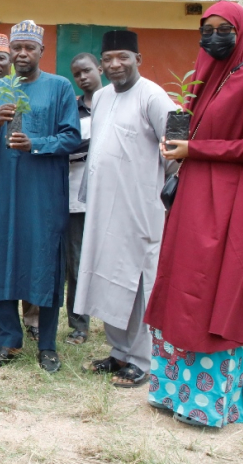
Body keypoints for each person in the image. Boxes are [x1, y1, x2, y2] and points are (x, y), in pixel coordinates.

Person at [145, 1, 243, 427]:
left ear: (240, 33)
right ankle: (171, 391)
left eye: (224, 29)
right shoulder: (205, 78)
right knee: (180, 284)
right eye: (207, 29)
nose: (213, 37)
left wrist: (196, 150)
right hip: (193, 199)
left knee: (209, 291)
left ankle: (206, 403)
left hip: (225, 205)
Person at [0, 20, 81, 373]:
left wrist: (37, 144)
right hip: (6, 191)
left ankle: (47, 345)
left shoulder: (59, 87)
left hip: (44, 193)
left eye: (28, 48)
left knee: (45, 263)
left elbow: (71, 137)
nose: (22, 54)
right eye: (16, 48)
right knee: (4, 258)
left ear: (41, 52)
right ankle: (8, 342)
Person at [73, 31, 175, 388]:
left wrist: (166, 192)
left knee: (139, 281)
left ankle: (143, 360)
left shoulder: (154, 96)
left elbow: (177, 147)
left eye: (124, 58)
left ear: (138, 60)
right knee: (108, 277)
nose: (116, 65)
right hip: (103, 209)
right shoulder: (100, 97)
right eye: (110, 58)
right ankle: (119, 352)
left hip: (140, 209)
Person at [0, 34, 39, 340]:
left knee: (27, 245)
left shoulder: (28, 90)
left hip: (24, 181)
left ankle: (33, 318)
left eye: (0, 57)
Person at [64, 53, 101, 345]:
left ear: (99, 68)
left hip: (112, 199)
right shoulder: (71, 109)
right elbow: (68, 145)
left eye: (87, 70)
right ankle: (79, 325)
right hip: (77, 198)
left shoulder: (115, 102)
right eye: (77, 74)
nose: (83, 77)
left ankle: (118, 323)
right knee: (76, 263)